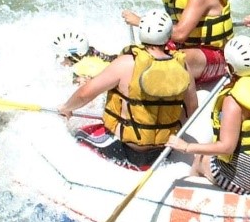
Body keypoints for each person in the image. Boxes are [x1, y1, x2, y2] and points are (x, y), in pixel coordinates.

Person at [58, 11, 198, 169]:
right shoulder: (183, 65)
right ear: (168, 35)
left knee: (74, 131)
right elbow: (192, 107)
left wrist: (66, 108)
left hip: (125, 149)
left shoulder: (126, 63)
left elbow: (84, 94)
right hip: (163, 150)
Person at [168, 36, 250, 194]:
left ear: (230, 66)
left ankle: (191, 200)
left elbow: (226, 148)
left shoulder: (234, 101)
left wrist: (186, 147)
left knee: (201, 159)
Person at [121, 0, 234, 87]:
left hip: (218, 56)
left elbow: (180, 34)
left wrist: (141, 22)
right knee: (136, 55)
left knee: (170, 63)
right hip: (189, 49)